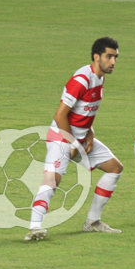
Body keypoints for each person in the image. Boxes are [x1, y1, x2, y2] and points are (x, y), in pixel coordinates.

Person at [25, 37, 124, 241]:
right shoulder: (81, 80)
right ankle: (34, 227)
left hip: (80, 138)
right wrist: (73, 143)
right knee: (52, 181)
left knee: (115, 168)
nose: (113, 61)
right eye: (109, 56)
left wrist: (90, 133)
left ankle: (92, 222)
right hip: (62, 137)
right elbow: (60, 115)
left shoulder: (100, 78)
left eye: (115, 57)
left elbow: (85, 111)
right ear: (96, 57)